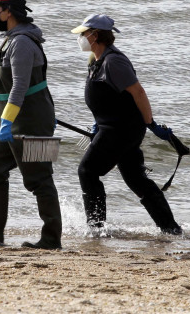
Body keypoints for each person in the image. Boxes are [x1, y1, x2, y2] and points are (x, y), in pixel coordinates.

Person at [0, 0, 62, 250]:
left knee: (39, 179)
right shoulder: (12, 38)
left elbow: (19, 87)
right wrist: (6, 122)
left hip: (29, 120)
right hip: (15, 119)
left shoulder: (22, 42)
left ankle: (52, 238)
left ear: (8, 11)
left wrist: (7, 121)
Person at [71, 13, 182, 235]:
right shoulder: (96, 60)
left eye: (83, 33)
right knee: (136, 179)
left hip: (120, 130)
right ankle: (171, 229)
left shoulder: (114, 61)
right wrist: (96, 125)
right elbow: (106, 99)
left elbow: (138, 93)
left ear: (95, 35)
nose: (80, 37)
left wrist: (151, 123)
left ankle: (96, 229)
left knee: (87, 171)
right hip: (113, 128)